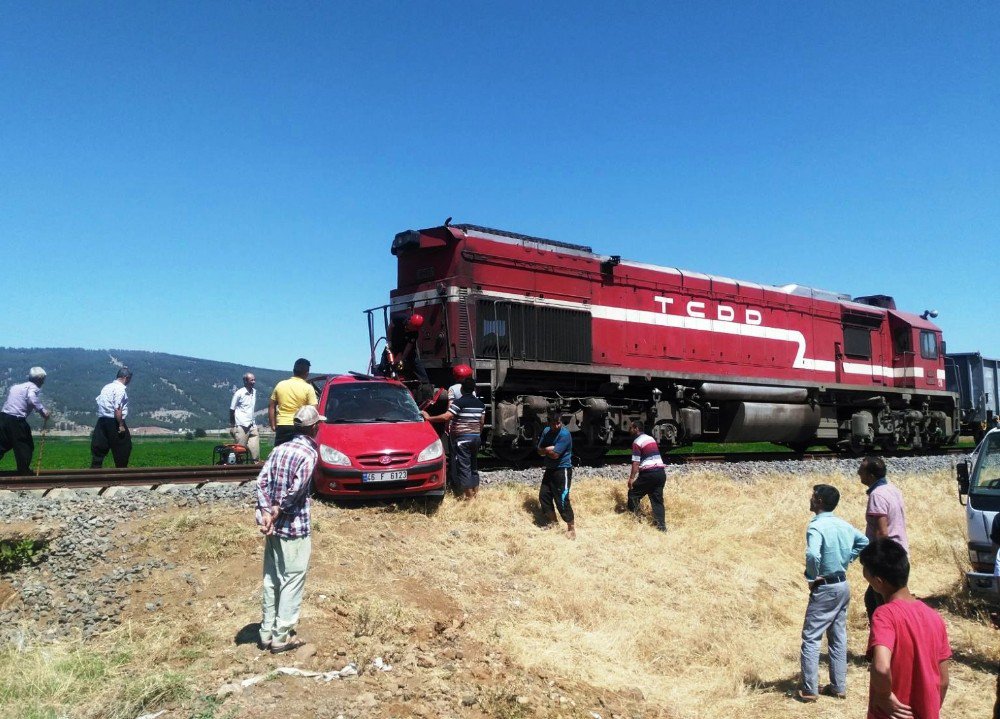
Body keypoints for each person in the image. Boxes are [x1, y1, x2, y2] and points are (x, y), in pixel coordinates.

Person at [255, 404, 325, 654]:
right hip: (294, 526)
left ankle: (265, 631)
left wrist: (266, 511)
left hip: (273, 527)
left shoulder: (279, 449)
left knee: (272, 578)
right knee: (293, 579)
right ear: (314, 427)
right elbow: (296, 490)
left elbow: (261, 481)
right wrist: (279, 509)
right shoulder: (309, 454)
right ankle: (281, 636)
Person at [860, 538, 951, 719]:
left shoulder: (885, 615)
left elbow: (881, 667)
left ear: (878, 582)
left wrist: (885, 696)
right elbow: (943, 680)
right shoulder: (935, 617)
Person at [797, 484, 869, 703]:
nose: (810, 499)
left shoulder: (816, 527)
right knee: (838, 637)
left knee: (811, 637)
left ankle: (809, 689)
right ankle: (838, 686)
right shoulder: (842, 524)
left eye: (813, 496)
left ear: (819, 501)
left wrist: (812, 576)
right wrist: (846, 560)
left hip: (825, 587)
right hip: (842, 584)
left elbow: (812, 554)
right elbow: (863, 541)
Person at [858, 456, 909, 621]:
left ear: (871, 475)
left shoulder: (877, 496)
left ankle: (884, 640)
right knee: (877, 599)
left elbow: (882, 532)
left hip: (885, 559)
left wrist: (876, 560)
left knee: (882, 607)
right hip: (897, 553)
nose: (858, 472)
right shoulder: (892, 489)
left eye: (862, 469)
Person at [423, 377, 485, 500]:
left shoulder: (459, 403)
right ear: (474, 389)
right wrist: (476, 434)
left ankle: (469, 498)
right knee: (473, 466)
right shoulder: (481, 404)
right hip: (476, 438)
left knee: (464, 467)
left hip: (463, 440)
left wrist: (429, 418)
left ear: (461, 389)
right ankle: (475, 494)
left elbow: (447, 417)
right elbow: (481, 422)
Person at [0, 367, 51, 475]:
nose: (43, 382)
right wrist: (43, 412)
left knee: (3, 444)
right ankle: (24, 472)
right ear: (40, 379)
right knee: (25, 445)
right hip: (16, 420)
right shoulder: (33, 388)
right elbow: (32, 398)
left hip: (3, 417)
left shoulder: (15, 387)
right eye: (43, 379)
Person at [537, 413, 575, 539]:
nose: (556, 426)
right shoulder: (546, 431)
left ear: (561, 422)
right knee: (544, 496)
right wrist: (549, 449)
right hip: (550, 469)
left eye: (558, 423)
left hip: (562, 469)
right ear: (549, 423)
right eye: (553, 423)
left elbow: (555, 455)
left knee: (562, 500)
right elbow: (539, 450)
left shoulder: (565, 434)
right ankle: (554, 522)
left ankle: (571, 528)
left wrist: (547, 451)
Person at [626, 421, 668, 531]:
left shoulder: (637, 441)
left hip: (649, 473)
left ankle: (635, 520)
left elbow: (636, 462)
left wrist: (631, 479)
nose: (629, 430)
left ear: (636, 429)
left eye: (630, 428)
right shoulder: (650, 438)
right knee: (657, 500)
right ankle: (662, 527)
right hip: (660, 473)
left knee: (633, 493)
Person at [269, 358, 318, 447]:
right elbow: (313, 410)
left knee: (280, 453)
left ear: (293, 371)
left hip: (282, 425)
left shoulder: (280, 384)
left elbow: (271, 406)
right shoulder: (308, 388)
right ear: (307, 373)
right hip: (300, 425)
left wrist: (273, 424)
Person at [91, 368, 133, 468]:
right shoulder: (120, 389)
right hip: (114, 421)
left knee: (99, 448)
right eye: (129, 379)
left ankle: (94, 472)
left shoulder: (106, 387)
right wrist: (121, 425)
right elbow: (117, 408)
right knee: (124, 447)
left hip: (101, 420)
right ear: (126, 378)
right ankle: (121, 472)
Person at [386, 313, 429, 384]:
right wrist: (389, 341)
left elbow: (408, 347)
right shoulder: (399, 318)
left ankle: (425, 383)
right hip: (393, 344)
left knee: (415, 362)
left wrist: (402, 359)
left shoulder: (415, 333)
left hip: (405, 348)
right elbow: (390, 327)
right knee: (385, 361)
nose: (415, 330)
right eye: (415, 327)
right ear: (410, 323)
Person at [229, 372, 260, 461]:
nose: (254, 382)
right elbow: (232, 409)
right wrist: (232, 425)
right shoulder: (239, 393)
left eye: (254, 380)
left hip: (252, 424)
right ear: (245, 381)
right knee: (240, 451)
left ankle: (255, 468)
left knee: (255, 450)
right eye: (251, 380)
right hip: (241, 424)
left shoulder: (254, 392)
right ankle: (238, 469)